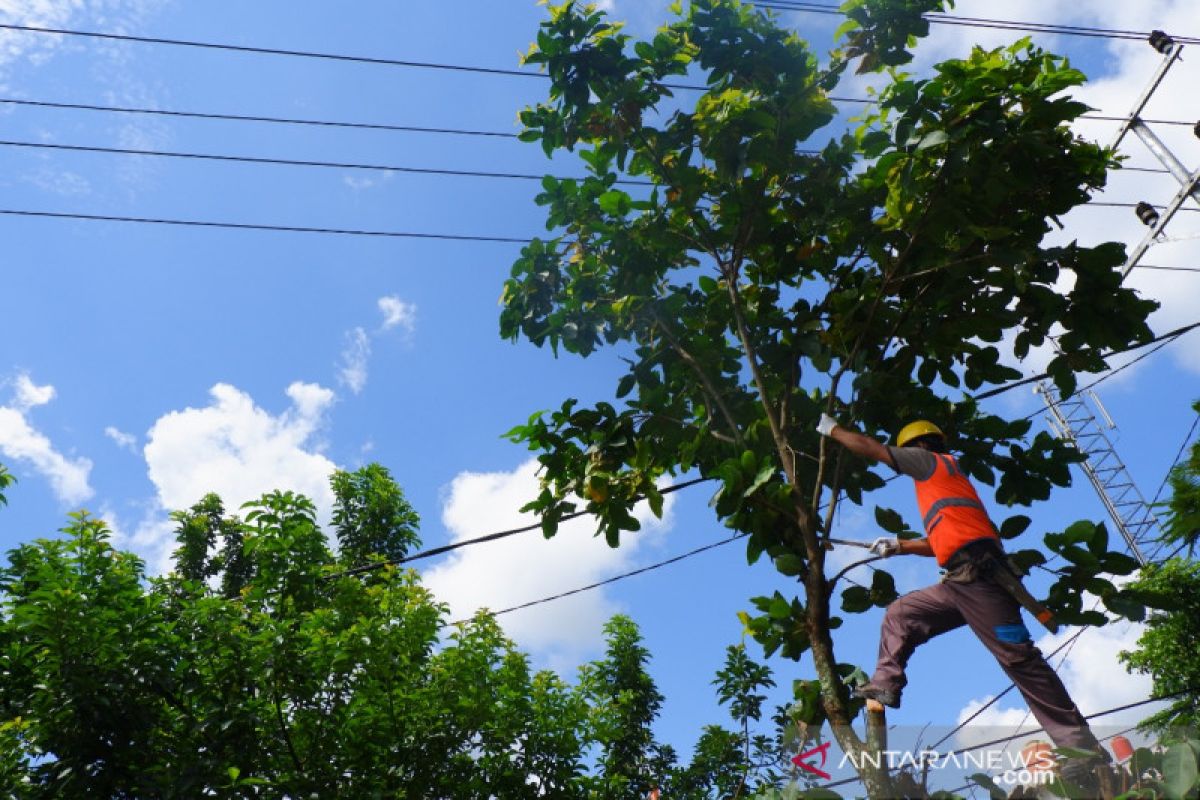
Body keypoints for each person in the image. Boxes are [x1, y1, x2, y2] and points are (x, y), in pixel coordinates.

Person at [815, 415, 1107, 766]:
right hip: (961, 579)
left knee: (1021, 661)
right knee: (901, 614)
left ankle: (1082, 748)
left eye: (904, 453)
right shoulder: (947, 483)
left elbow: (874, 450)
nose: (901, 462)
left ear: (920, 446)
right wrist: (900, 545)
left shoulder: (929, 463)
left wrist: (832, 430)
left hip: (982, 579)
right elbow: (945, 540)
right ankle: (885, 684)